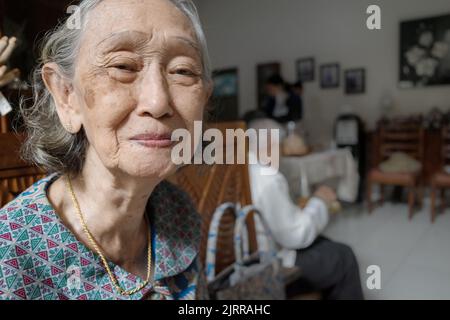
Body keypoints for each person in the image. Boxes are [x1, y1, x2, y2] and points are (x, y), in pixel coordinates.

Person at [0, 0, 212, 300]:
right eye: (123, 66)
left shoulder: (177, 211)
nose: (158, 101)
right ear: (66, 95)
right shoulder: (9, 257)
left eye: (183, 70)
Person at [247, 118, 364, 300]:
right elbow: (297, 236)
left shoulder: (241, 168)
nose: (282, 153)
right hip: (272, 266)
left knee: (325, 243)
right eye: (280, 147)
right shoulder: (267, 178)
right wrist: (320, 200)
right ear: (271, 145)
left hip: (249, 257)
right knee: (344, 256)